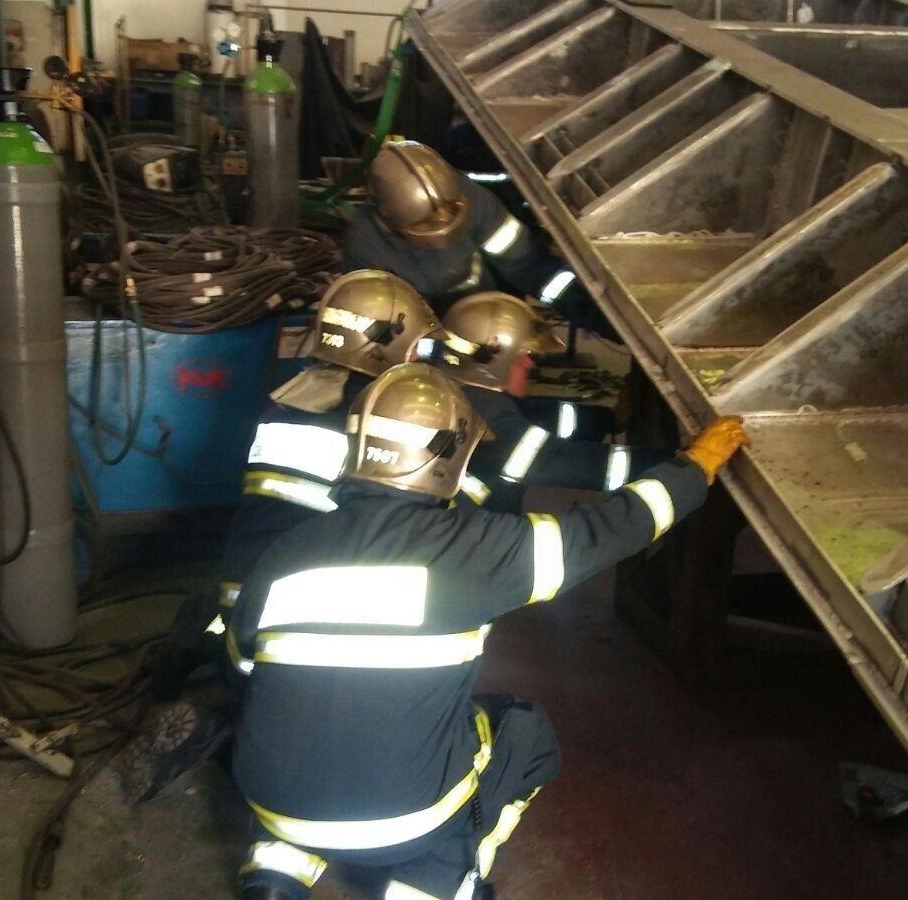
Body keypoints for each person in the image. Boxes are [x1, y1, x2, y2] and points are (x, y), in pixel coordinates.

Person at [229, 362, 749, 900]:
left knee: (300, 731)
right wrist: (692, 468)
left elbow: (246, 666)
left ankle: (273, 875)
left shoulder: (284, 551)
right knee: (525, 734)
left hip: (269, 798)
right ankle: (431, 886)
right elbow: (609, 528)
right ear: (451, 456)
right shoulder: (477, 550)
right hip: (401, 820)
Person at [120, 269, 444, 803]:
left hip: (239, 599)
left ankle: (199, 641)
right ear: (389, 346)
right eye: (415, 346)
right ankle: (219, 731)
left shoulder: (293, 395)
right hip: (288, 624)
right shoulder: (375, 421)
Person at [434, 291, 666, 511]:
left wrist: (607, 419)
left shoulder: (460, 390)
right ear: (491, 366)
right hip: (474, 534)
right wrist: (674, 467)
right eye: (522, 358)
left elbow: (537, 416)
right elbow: (562, 462)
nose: (530, 365)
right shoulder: (481, 420)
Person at [342, 140, 581, 311]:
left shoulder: (476, 202)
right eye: (423, 224)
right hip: (422, 325)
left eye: (451, 212)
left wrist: (581, 303)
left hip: (483, 311)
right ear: (387, 214)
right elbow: (382, 317)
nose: (441, 227)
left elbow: (524, 265)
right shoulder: (364, 244)